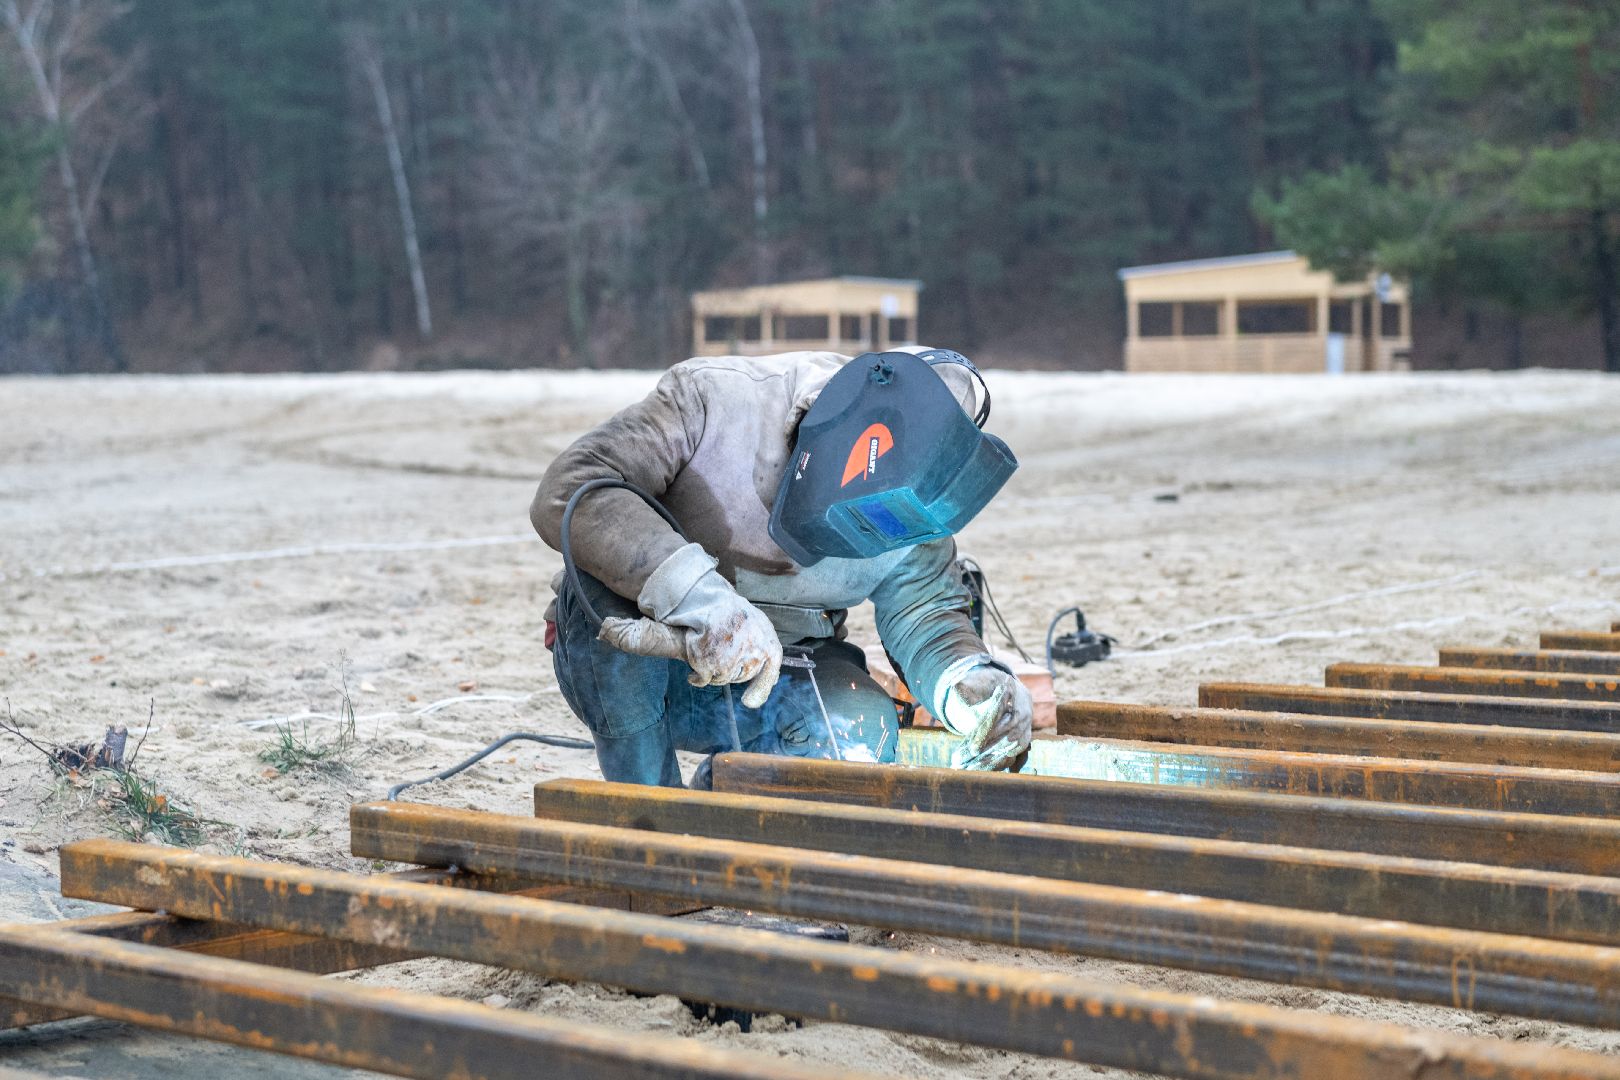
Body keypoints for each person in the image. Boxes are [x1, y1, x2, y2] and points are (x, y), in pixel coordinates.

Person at [531, 346, 1030, 788]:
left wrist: (970, 681)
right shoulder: (715, 400)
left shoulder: (920, 496)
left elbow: (924, 611)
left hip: (783, 670)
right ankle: (648, 807)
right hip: (653, 655)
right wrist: (700, 600)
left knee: (861, 732)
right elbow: (570, 489)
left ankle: (727, 794)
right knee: (605, 608)